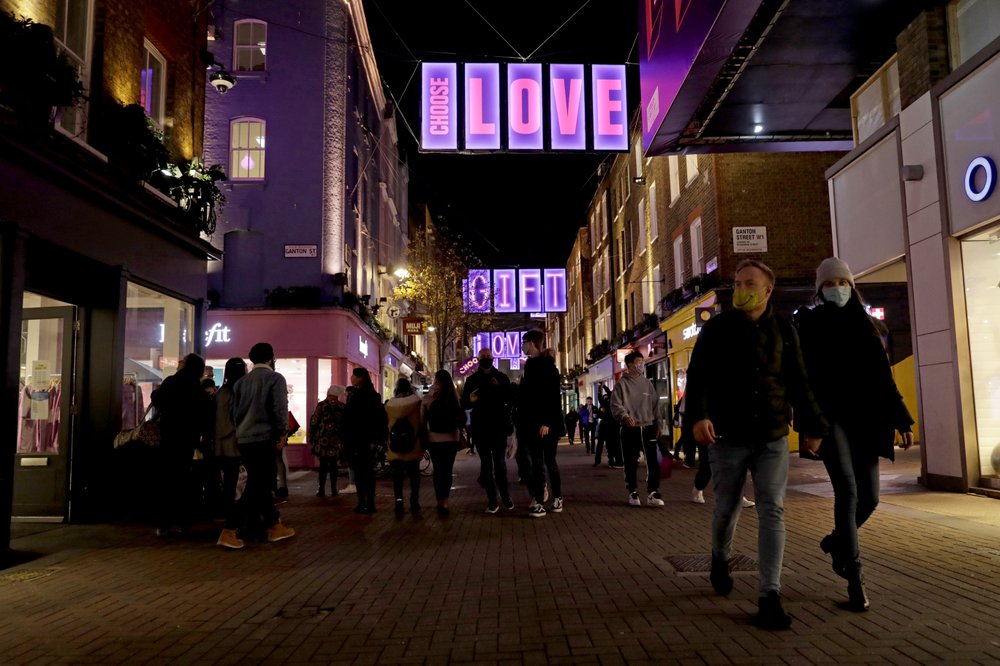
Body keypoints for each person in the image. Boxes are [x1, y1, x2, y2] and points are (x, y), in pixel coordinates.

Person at [685, 259, 827, 630]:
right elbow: (698, 378)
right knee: (727, 507)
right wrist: (699, 417)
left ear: (767, 290)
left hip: (771, 436)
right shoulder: (717, 329)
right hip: (727, 436)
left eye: (749, 283)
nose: (740, 289)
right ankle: (720, 557)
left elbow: (799, 381)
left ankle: (769, 595)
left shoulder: (784, 330)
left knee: (772, 510)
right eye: (737, 283)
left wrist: (813, 427)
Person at [795, 257, 915, 613]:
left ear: (852, 286)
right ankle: (854, 578)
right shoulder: (809, 325)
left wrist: (902, 420)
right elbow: (802, 384)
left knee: (871, 499)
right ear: (820, 290)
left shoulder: (869, 326)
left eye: (843, 283)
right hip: (829, 421)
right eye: (830, 284)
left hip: (866, 420)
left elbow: (883, 379)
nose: (837, 289)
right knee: (847, 493)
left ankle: (836, 543)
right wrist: (810, 428)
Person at [219, 342, 295, 549]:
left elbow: (234, 413)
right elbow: (280, 408)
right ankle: (229, 529)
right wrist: (282, 433)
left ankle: (274, 525)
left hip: (244, 440)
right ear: (271, 358)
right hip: (264, 438)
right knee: (257, 485)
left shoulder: (241, 383)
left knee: (260, 482)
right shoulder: (275, 379)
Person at [151, 353, 213, 536]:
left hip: (168, 437)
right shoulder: (198, 389)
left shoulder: (171, 382)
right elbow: (205, 415)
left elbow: (157, 399)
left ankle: (163, 523)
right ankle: (184, 521)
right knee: (184, 480)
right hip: (188, 440)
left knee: (165, 480)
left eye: (182, 361)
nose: (179, 363)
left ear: (186, 365)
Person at [516, 329, 564, 517]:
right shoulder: (531, 366)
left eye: (524, 342)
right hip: (533, 422)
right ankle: (540, 499)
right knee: (537, 462)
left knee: (548, 461)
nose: (522, 346)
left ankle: (556, 497)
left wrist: (546, 422)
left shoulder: (546, 367)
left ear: (532, 343)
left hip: (545, 423)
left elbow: (551, 397)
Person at [462, 347, 515, 513]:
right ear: (479, 359)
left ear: (493, 358)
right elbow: (464, 403)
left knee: (500, 465)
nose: (486, 358)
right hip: (481, 429)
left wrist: (498, 389)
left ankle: (505, 496)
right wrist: (471, 400)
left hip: (498, 428)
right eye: (483, 356)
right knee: (486, 466)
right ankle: (492, 500)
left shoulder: (501, 378)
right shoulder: (472, 380)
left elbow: (510, 399)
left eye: (489, 356)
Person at [612, 351, 664, 507]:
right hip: (630, 429)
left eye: (642, 362)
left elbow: (655, 405)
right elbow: (616, 405)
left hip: (648, 427)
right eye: (638, 362)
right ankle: (633, 491)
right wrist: (625, 417)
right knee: (630, 462)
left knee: (653, 461)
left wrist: (659, 424)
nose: (641, 364)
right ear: (630, 365)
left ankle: (653, 492)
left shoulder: (647, 383)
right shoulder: (621, 384)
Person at [341, 368, 386, 514]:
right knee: (363, 472)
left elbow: (376, 419)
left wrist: (374, 439)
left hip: (362, 440)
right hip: (358, 440)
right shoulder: (358, 394)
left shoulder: (367, 396)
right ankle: (364, 502)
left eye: (353, 375)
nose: (351, 377)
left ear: (360, 378)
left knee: (364, 472)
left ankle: (366, 503)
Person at [422, 370, 465, 516]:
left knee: (438, 471)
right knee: (447, 471)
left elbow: (422, 419)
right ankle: (445, 501)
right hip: (451, 439)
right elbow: (461, 418)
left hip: (434, 439)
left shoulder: (429, 397)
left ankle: (439, 500)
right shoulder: (454, 396)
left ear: (436, 380)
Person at [385, 377, 424, 516]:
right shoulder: (417, 402)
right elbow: (422, 421)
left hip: (395, 447)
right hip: (413, 446)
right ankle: (414, 502)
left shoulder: (389, 405)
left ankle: (399, 502)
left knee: (397, 478)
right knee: (414, 477)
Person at [213, 358, 246, 519]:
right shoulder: (238, 391)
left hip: (221, 444)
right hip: (234, 442)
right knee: (234, 479)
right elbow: (237, 418)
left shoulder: (221, 391)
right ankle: (232, 514)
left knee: (227, 480)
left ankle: (226, 510)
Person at [309, 385, 346, 497]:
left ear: (328, 392)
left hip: (323, 440)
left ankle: (321, 489)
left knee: (323, 465)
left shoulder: (322, 405)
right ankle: (334, 489)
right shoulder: (342, 406)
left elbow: (314, 421)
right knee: (334, 465)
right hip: (336, 441)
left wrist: (312, 437)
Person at [594, 384, 622, 469]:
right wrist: (603, 388)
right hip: (609, 427)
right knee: (610, 445)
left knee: (611, 446)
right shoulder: (611, 404)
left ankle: (613, 461)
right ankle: (612, 461)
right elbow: (602, 399)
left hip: (610, 427)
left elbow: (601, 398)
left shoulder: (610, 404)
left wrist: (601, 389)